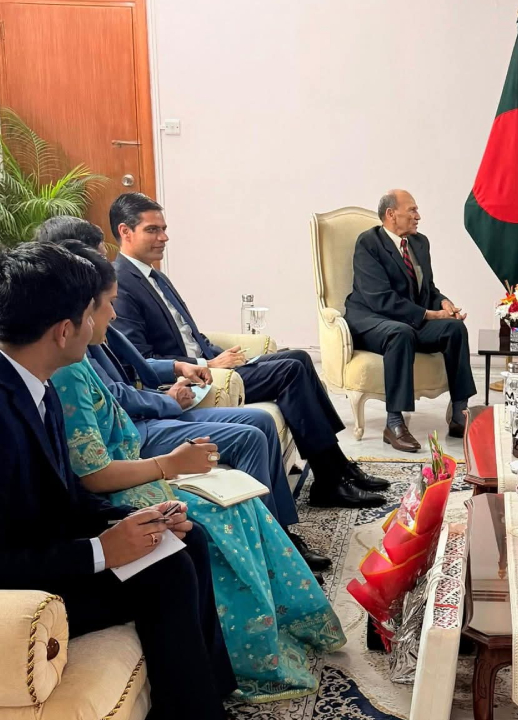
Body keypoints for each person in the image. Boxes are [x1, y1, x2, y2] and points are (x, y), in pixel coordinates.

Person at [0, 242, 236, 720]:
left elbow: (63, 496)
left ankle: (208, 699)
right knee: (166, 571)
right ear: (64, 330)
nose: (100, 323)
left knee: (183, 541)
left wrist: (140, 519)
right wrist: (101, 551)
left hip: (21, 552)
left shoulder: (34, 381)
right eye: (91, 313)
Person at [51, 247, 347, 701]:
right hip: (124, 484)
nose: (114, 312)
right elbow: (93, 472)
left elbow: (136, 377)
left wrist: (192, 372)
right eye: (108, 304)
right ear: (82, 313)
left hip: (141, 463)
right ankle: (247, 655)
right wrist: (171, 462)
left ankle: (280, 621)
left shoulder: (83, 354)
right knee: (219, 517)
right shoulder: (66, 371)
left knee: (244, 503)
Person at [40, 220, 331, 570]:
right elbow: (114, 397)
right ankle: (275, 549)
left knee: (264, 416)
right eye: (99, 257)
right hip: (137, 425)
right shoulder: (73, 337)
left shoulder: (120, 298)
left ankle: (283, 533)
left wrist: (181, 367)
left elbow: (135, 364)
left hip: (150, 406)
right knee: (254, 429)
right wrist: (168, 401)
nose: (105, 265)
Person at [107, 193, 386, 508]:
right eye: (153, 230)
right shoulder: (121, 284)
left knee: (298, 358)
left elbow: (190, 334)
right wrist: (207, 362)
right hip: (196, 379)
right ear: (125, 231)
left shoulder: (153, 275)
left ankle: (338, 467)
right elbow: (141, 360)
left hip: (212, 363)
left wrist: (223, 354)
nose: (164, 237)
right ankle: (330, 478)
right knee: (291, 369)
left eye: (164, 229)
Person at [343, 189, 478, 452]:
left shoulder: (419, 243)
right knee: (400, 333)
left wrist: (443, 303)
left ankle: (459, 413)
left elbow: (428, 289)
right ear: (391, 214)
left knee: (454, 329)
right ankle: (394, 423)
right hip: (371, 319)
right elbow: (380, 299)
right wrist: (428, 314)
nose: (418, 216)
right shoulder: (369, 243)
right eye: (412, 210)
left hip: (408, 319)